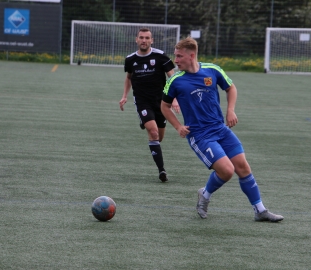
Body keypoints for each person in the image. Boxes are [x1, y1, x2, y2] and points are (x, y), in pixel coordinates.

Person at [161, 37, 284, 222]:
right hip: (200, 135)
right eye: (175, 56)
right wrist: (178, 126)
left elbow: (231, 88)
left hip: (220, 129)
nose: (175, 60)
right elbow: (164, 106)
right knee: (226, 171)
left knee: (243, 167)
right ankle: (205, 195)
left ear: (191, 55)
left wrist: (230, 110)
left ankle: (260, 210)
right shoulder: (176, 81)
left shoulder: (213, 70)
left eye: (179, 56)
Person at [119, 27, 179, 182]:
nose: (144, 40)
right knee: (153, 133)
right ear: (136, 40)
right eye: (141, 37)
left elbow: (172, 77)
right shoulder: (130, 59)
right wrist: (124, 96)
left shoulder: (160, 56)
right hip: (142, 101)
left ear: (152, 40)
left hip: (161, 103)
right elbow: (129, 78)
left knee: (159, 137)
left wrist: (174, 99)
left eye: (147, 38)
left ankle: (146, 123)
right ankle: (162, 171)